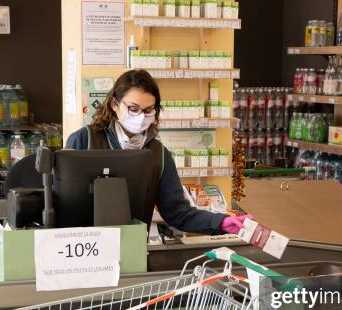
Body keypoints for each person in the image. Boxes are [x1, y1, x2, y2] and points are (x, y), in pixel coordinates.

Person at [66, 69, 248, 235]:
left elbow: (178, 212)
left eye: (148, 110)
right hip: (83, 250)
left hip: (133, 250)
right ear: (115, 104)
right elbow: (63, 203)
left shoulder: (159, 155)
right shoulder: (84, 140)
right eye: (133, 109)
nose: (140, 117)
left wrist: (221, 222)